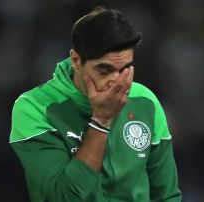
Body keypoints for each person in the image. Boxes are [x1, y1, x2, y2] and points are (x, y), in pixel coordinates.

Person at [9, 6, 182, 202]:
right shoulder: (34, 107)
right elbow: (62, 197)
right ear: (76, 60)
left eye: (125, 69)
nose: (116, 81)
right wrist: (101, 121)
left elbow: (167, 196)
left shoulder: (145, 101)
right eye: (104, 70)